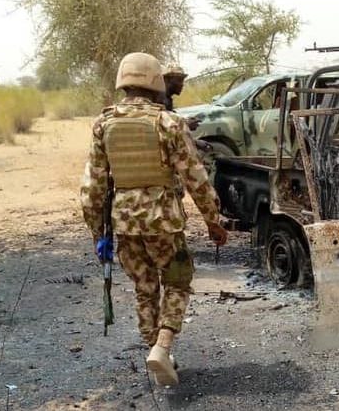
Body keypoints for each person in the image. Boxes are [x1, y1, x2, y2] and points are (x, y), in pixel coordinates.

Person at [80, 52, 228, 386]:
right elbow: (195, 177)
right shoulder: (167, 123)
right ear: (155, 82)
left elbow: (92, 187)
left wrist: (97, 234)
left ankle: (156, 353)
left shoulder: (103, 124)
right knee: (177, 281)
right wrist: (212, 220)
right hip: (163, 222)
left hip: (124, 224)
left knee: (144, 288)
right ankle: (162, 347)